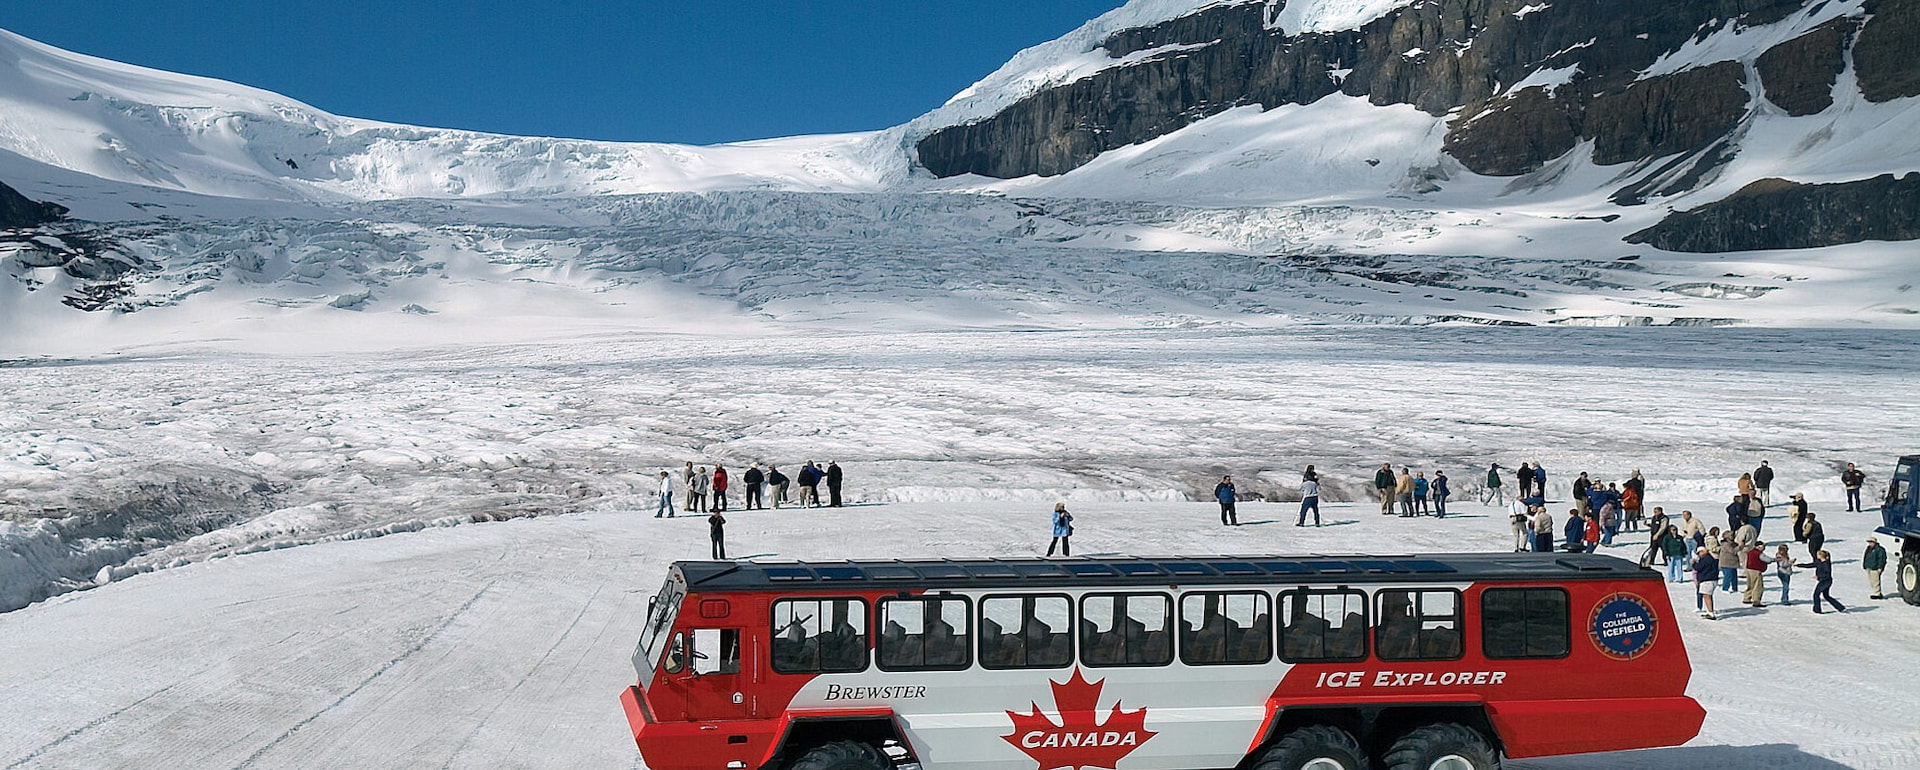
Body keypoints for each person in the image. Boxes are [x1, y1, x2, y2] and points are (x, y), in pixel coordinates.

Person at [1691, 546, 1719, 619]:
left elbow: (1699, 568)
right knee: (1707, 596)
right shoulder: (1710, 558)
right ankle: (1709, 611)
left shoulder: (1706, 559)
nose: (1699, 555)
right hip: (1711, 579)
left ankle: (1710, 612)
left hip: (1707, 580)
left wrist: (1693, 563)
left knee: (1707, 596)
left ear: (1703, 551)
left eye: (1699, 553)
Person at [1742, 540, 1771, 606]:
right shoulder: (1759, 553)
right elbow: (1768, 560)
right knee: (1758, 586)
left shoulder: (1750, 552)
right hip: (1756, 570)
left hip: (1748, 569)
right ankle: (1756, 601)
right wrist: (1774, 559)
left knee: (1750, 584)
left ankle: (1746, 598)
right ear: (1759, 547)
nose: (1764, 548)